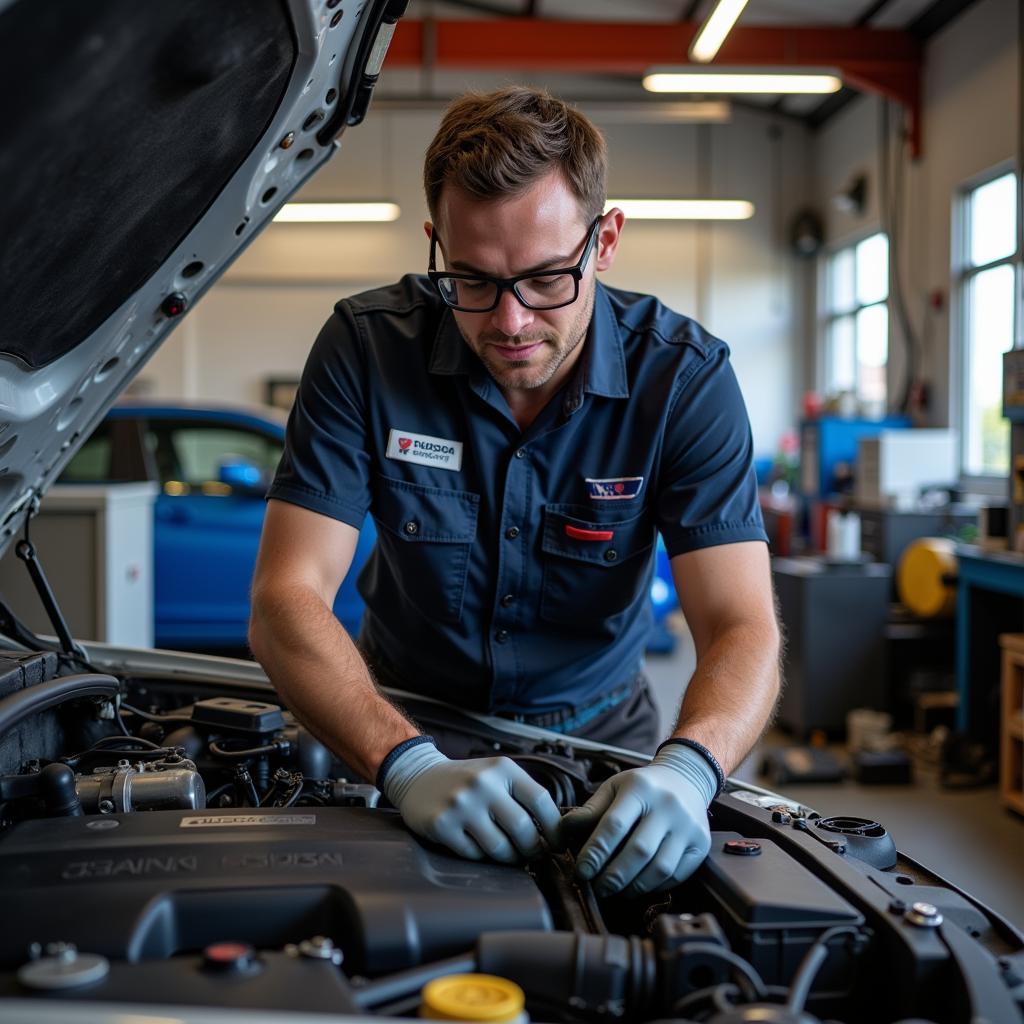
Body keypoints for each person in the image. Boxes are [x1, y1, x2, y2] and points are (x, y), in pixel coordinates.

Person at [249, 86, 780, 898]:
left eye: (542, 280)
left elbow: (743, 625)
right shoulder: (366, 350)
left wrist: (691, 770)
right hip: (400, 726)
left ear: (604, 241)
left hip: (610, 742)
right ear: (436, 245)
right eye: (472, 280)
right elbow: (286, 597)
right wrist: (407, 763)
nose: (509, 320)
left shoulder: (683, 379)